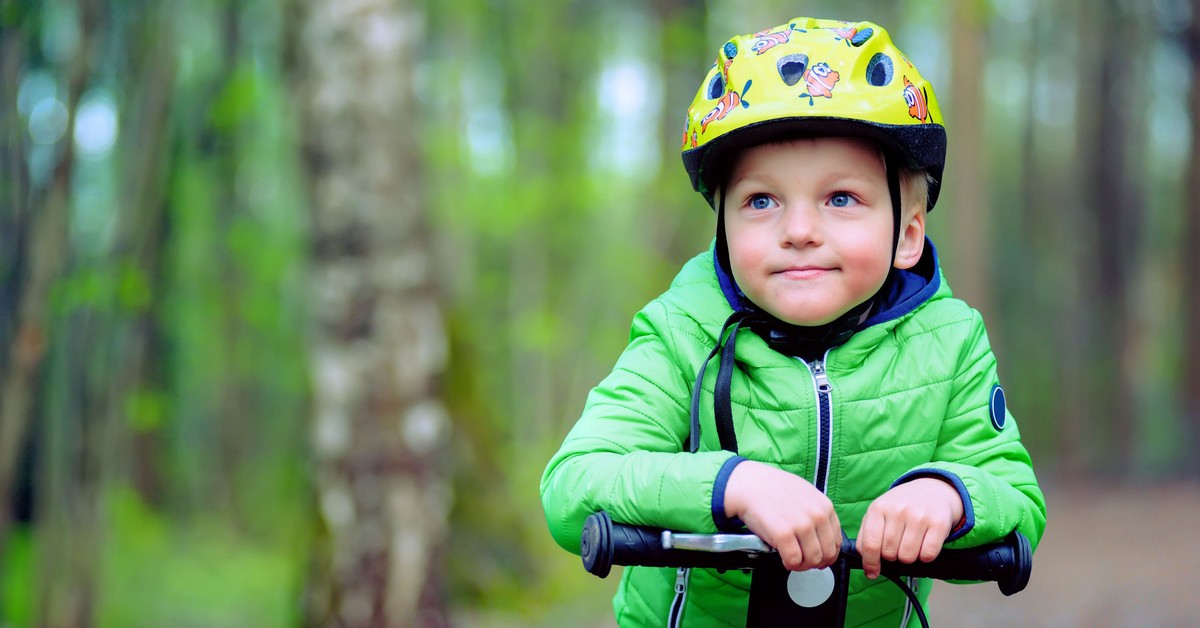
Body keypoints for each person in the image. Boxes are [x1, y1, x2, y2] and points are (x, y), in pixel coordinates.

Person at [540, 16, 1046, 627]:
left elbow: (1016, 500)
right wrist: (731, 486)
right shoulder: (681, 332)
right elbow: (574, 485)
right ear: (723, 227)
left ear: (908, 234)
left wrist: (949, 497)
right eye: (761, 201)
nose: (800, 231)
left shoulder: (950, 342)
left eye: (841, 198)